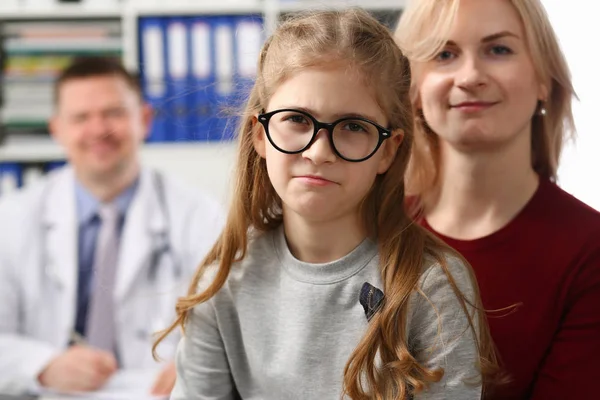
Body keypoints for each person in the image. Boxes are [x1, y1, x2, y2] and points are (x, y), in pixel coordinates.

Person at [155, 9, 501, 400]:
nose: (319, 152)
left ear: (388, 150)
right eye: (297, 120)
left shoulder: (430, 286)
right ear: (260, 134)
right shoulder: (222, 283)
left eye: (354, 126)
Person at [395, 0, 600, 398]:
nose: (470, 76)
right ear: (414, 89)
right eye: (445, 54)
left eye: (499, 49)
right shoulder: (373, 229)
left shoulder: (591, 251)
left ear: (544, 78)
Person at [0, 57, 224, 396]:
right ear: (56, 129)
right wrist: (42, 364)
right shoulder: (12, 217)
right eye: (81, 117)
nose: (98, 129)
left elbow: (229, 327)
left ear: (144, 120)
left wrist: (191, 362)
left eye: (114, 113)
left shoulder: (200, 215)